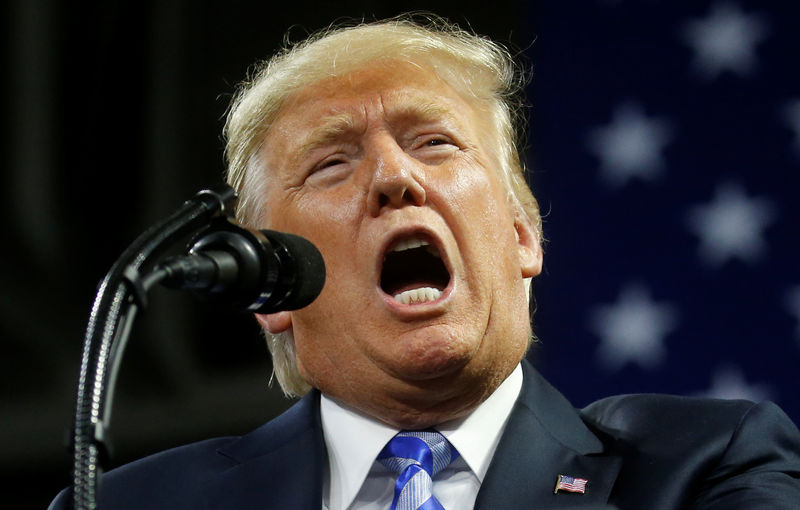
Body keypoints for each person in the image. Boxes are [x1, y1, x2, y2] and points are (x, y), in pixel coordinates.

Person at [51, 15, 800, 510]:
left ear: (520, 238)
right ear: (271, 285)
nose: (392, 178)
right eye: (331, 164)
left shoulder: (703, 469)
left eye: (435, 142)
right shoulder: (130, 505)